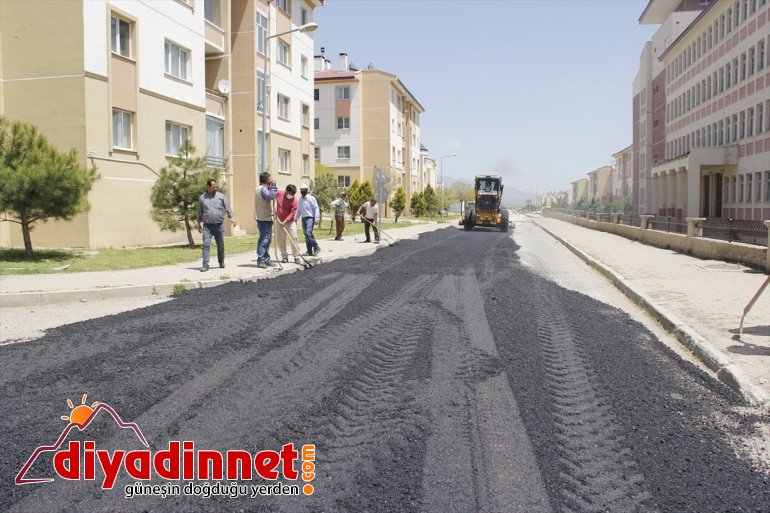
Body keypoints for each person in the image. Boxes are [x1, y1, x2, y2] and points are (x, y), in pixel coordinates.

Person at [196, 178, 235, 272]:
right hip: (207, 226)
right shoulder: (202, 198)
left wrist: (232, 218)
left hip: (219, 225)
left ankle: (221, 261)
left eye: (216, 187)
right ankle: (205, 264)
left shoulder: (221, 196)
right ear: (208, 187)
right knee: (206, 244)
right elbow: (199, 212)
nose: (216, 188)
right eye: (214, 187)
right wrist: (198, 223)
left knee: (220, 245)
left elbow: (227, 207)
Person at [254, 171, 278, 268]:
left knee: (267, 240)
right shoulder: (262, 189)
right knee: (264, 240)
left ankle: (266, 258)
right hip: (263, 218)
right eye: (270, 178)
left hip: (266, 218)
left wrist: (272, 187)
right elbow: (270, 196)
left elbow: (272, 194)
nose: (272, 179)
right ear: (267, 179)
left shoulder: (263, 188)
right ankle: (261, 260)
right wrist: (273, 185)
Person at [275, 184, 301, 264]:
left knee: (294, 238)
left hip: (290, 222)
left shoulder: (295, 200)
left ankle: (296, 256)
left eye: (293, 194)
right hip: (279, 221)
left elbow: (293, 213)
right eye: (291, 193)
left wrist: (285, 221)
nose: (292, 195)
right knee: (281, 239)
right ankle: (284, 256)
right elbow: (271, 194)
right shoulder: (279, 193)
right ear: (286, 191)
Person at [295, 183, 321, 256]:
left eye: (304, 190)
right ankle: (309, 251)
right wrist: (296, 219)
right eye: (301, 190)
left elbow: (316, 208)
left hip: (310, 218)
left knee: (308, 232)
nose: (303, 191)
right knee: (306, 235)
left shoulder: (311, 198)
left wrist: (317, 218)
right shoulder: (300, 200)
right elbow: (299, 210)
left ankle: (316, 247)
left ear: (307, 190)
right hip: (303, 218)